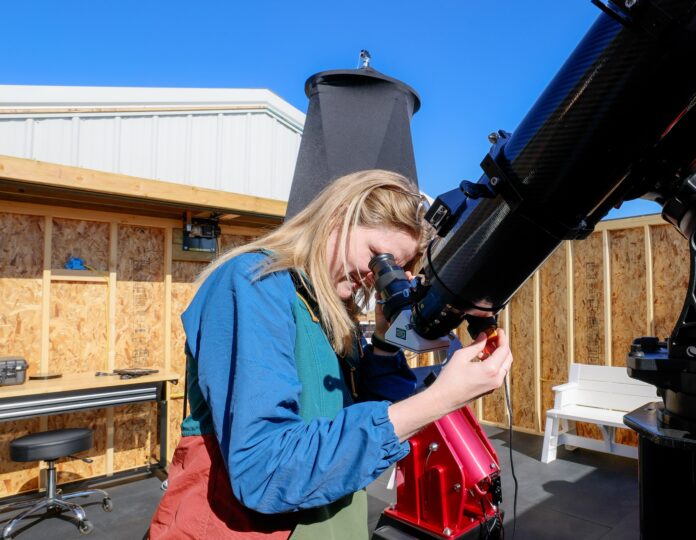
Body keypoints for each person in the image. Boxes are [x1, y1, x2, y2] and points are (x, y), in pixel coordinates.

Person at [148, 170, 513, 539]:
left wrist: (386, 346)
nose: (375, 277)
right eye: (377, 257)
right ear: (339, 215)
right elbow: (264, 469)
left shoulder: (331, 309)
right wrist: (441, 398)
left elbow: (367, 420)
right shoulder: (253, 282)